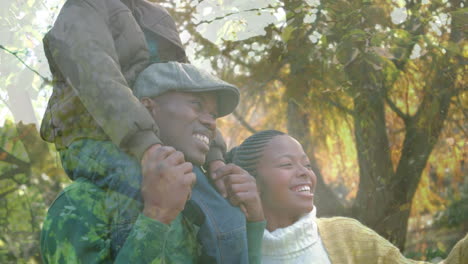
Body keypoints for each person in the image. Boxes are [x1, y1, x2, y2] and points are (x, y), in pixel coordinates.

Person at [40, 62, 266, 263]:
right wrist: (157, 216)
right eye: (196, 104)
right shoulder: (79, 203)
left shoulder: (206, 200)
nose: (211, 123)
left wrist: (254, 221)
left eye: (213, 115)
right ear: (147, 109)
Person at [223, 129, 467, 264]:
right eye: (287, 164)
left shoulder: (346, 237)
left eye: (307, 165)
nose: (304, 173)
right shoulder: (228, 250)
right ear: (249, 179)